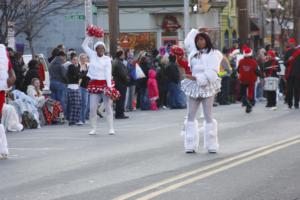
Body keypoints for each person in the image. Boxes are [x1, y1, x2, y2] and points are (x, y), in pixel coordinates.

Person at [181, 29, 223, 153]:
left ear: (206, 40)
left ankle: (211, 145)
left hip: (207, 87)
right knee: (190, 115)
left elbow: (212, 73)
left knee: (208, 115)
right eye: (197, 40)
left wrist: (197, 78)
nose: (199, 42)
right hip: (194, 86)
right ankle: (190, 144)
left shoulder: (213, 54)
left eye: (202, 39)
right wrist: (191, 76)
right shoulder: (193, 54)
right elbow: (189, 67)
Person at [82, 36, 116, 135]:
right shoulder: (92, 55)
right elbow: (84, 45)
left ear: (104, 49)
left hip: (105, 84)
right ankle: (93, 128)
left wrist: (109, 87)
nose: (101, 50)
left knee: (108, 106)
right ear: (96, 49)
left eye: (102, 48)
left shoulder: (107, 59)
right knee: (92, 107)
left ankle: (111, 128)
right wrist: (89, 35)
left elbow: (108, 73)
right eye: (99, 48)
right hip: (94, 83)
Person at [0, 44, 16, 159]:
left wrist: (11, 78)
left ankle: (3, 149)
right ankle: (3, 149)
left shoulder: (2, 53)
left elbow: (10, 71)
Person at [237, 47, 260, 113]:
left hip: (243, 79)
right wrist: (260, 75)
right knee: (250, 93)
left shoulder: (241, 61)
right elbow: (257, 72)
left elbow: (238, 70)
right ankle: (249, 105)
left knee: (243, 93)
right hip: (251, 80)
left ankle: (245, 102)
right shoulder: (254, 62)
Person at [112, 49, 129, 119]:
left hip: (118, 82)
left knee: (119, 99)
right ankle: (120, 114)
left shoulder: (115, 61)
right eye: (123, 55)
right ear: (120, 55)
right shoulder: (118, 63)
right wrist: (127, 80)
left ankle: (118, 113)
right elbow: (123, 74)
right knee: (121, 99)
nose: (124, 56)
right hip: (120, 83)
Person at [79, 53, 90, 124]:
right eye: (82, 58)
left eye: (85, 58)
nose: (83, 59)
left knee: (85, 104)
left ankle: (83, 119)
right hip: (79, 87)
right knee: (80, 103)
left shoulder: (88, 66)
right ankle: (80, 119)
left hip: (86, 87)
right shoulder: (78, 66)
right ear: (80, 59)